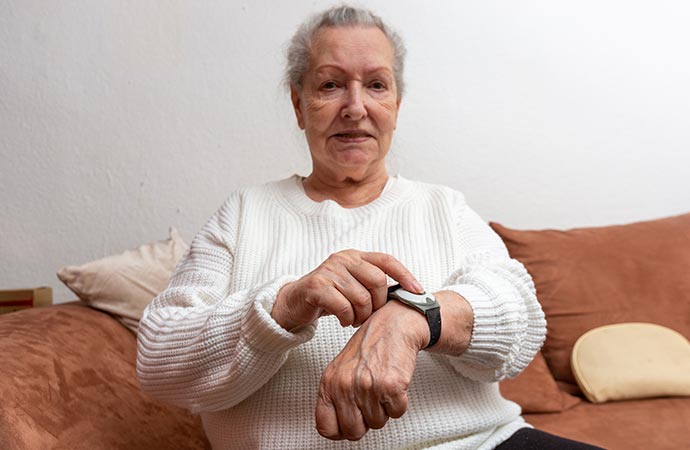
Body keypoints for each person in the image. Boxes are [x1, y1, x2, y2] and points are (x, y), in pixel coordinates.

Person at [137, 6, 602, 450]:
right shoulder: (245, 213)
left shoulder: (443, 206)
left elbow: (521, 318)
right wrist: (285, 304)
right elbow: (158, 360)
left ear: (396, 105)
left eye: (376, 85)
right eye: (331, 85)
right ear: (299, 106)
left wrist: (416, 318)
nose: (355, 107)